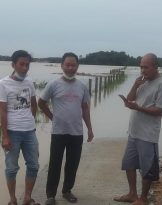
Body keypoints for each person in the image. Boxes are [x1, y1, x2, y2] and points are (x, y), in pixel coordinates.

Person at [114, 53, 162, 205]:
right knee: (129, 164)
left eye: (146, 67)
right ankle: (132, 194)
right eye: (141, 67)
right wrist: (135, 85)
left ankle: (143, 198)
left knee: (147, 168)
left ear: (155, 67)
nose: (142, 70)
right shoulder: (142, 82)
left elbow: (161, 111)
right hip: (134, 132)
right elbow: (130, 99)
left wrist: (139, 108)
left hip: (148, 135)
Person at [38, 52, 94, 205]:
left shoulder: (82, 86)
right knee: (54, 164)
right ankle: (50, 195)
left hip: (76, 133)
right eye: (67, 65)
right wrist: (52, 117)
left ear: (77, 66)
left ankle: (67, 191)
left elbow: (85, 109)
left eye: (73, 65)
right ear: (62, 65)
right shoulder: (53, 84)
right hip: (58, 132)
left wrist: (89, 128)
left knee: (72, 164)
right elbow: (41, 103)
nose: (70, 68)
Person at [0, 50, 40, 205]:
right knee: (12, 168)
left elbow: (33, 104)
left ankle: (27, 198)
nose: (25, 68)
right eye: (22, 64)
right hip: (12, 133)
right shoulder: (3, 84)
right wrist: (5, 136)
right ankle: (13, 199)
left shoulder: (29, 82)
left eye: (27, 64)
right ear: (13, 65)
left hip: (29, 132)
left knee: (33, 165)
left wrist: (30, 121)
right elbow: (2, 111)